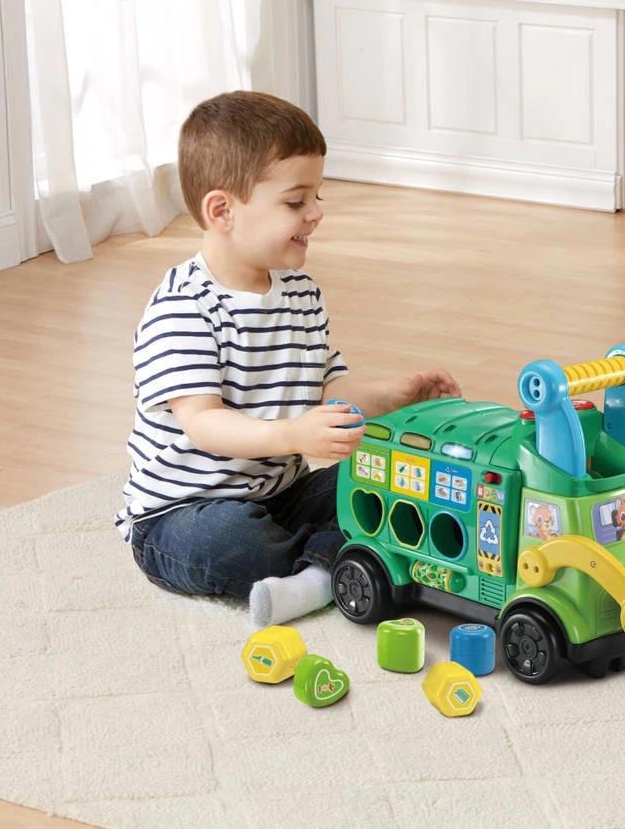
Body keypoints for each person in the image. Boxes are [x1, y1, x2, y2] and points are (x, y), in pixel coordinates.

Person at [115, 90, 460, 627]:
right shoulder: (184, 307)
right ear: (222, 211)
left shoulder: (300, 292)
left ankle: (320, 572)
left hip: (283, 491)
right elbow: (204, 423)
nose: (316, 214)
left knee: (380, 480)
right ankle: (332, 568)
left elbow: (325, 387)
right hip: (184, 513)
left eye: (316, 197)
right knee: (230, 540)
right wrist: (294, 435)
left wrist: (395, 395)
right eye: (296, 202)